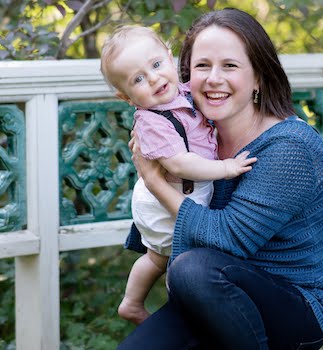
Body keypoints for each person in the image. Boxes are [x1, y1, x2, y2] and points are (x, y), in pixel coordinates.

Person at [118, 8, 323, 350]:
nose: (213, 79)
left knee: (191, 270)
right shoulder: (193, 141)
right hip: (209, 290)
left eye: (230, 66)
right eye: (202, 66)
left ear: (258, 77)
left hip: (296, 303)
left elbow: (229, 239)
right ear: (186, 75)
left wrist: (156, 184)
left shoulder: (290, 148)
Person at [99, 25, 258, 325]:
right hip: (164, 200)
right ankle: (145, 305)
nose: (155, 78)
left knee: (173, 256)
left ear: (170, 59)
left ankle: (168, 308)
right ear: (126, 96)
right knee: (172, 257)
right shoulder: (151, 121)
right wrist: (226, 168)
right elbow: (180, 164)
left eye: (157, 65)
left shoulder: (182, 93)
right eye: (139, 79)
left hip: (185, 191)